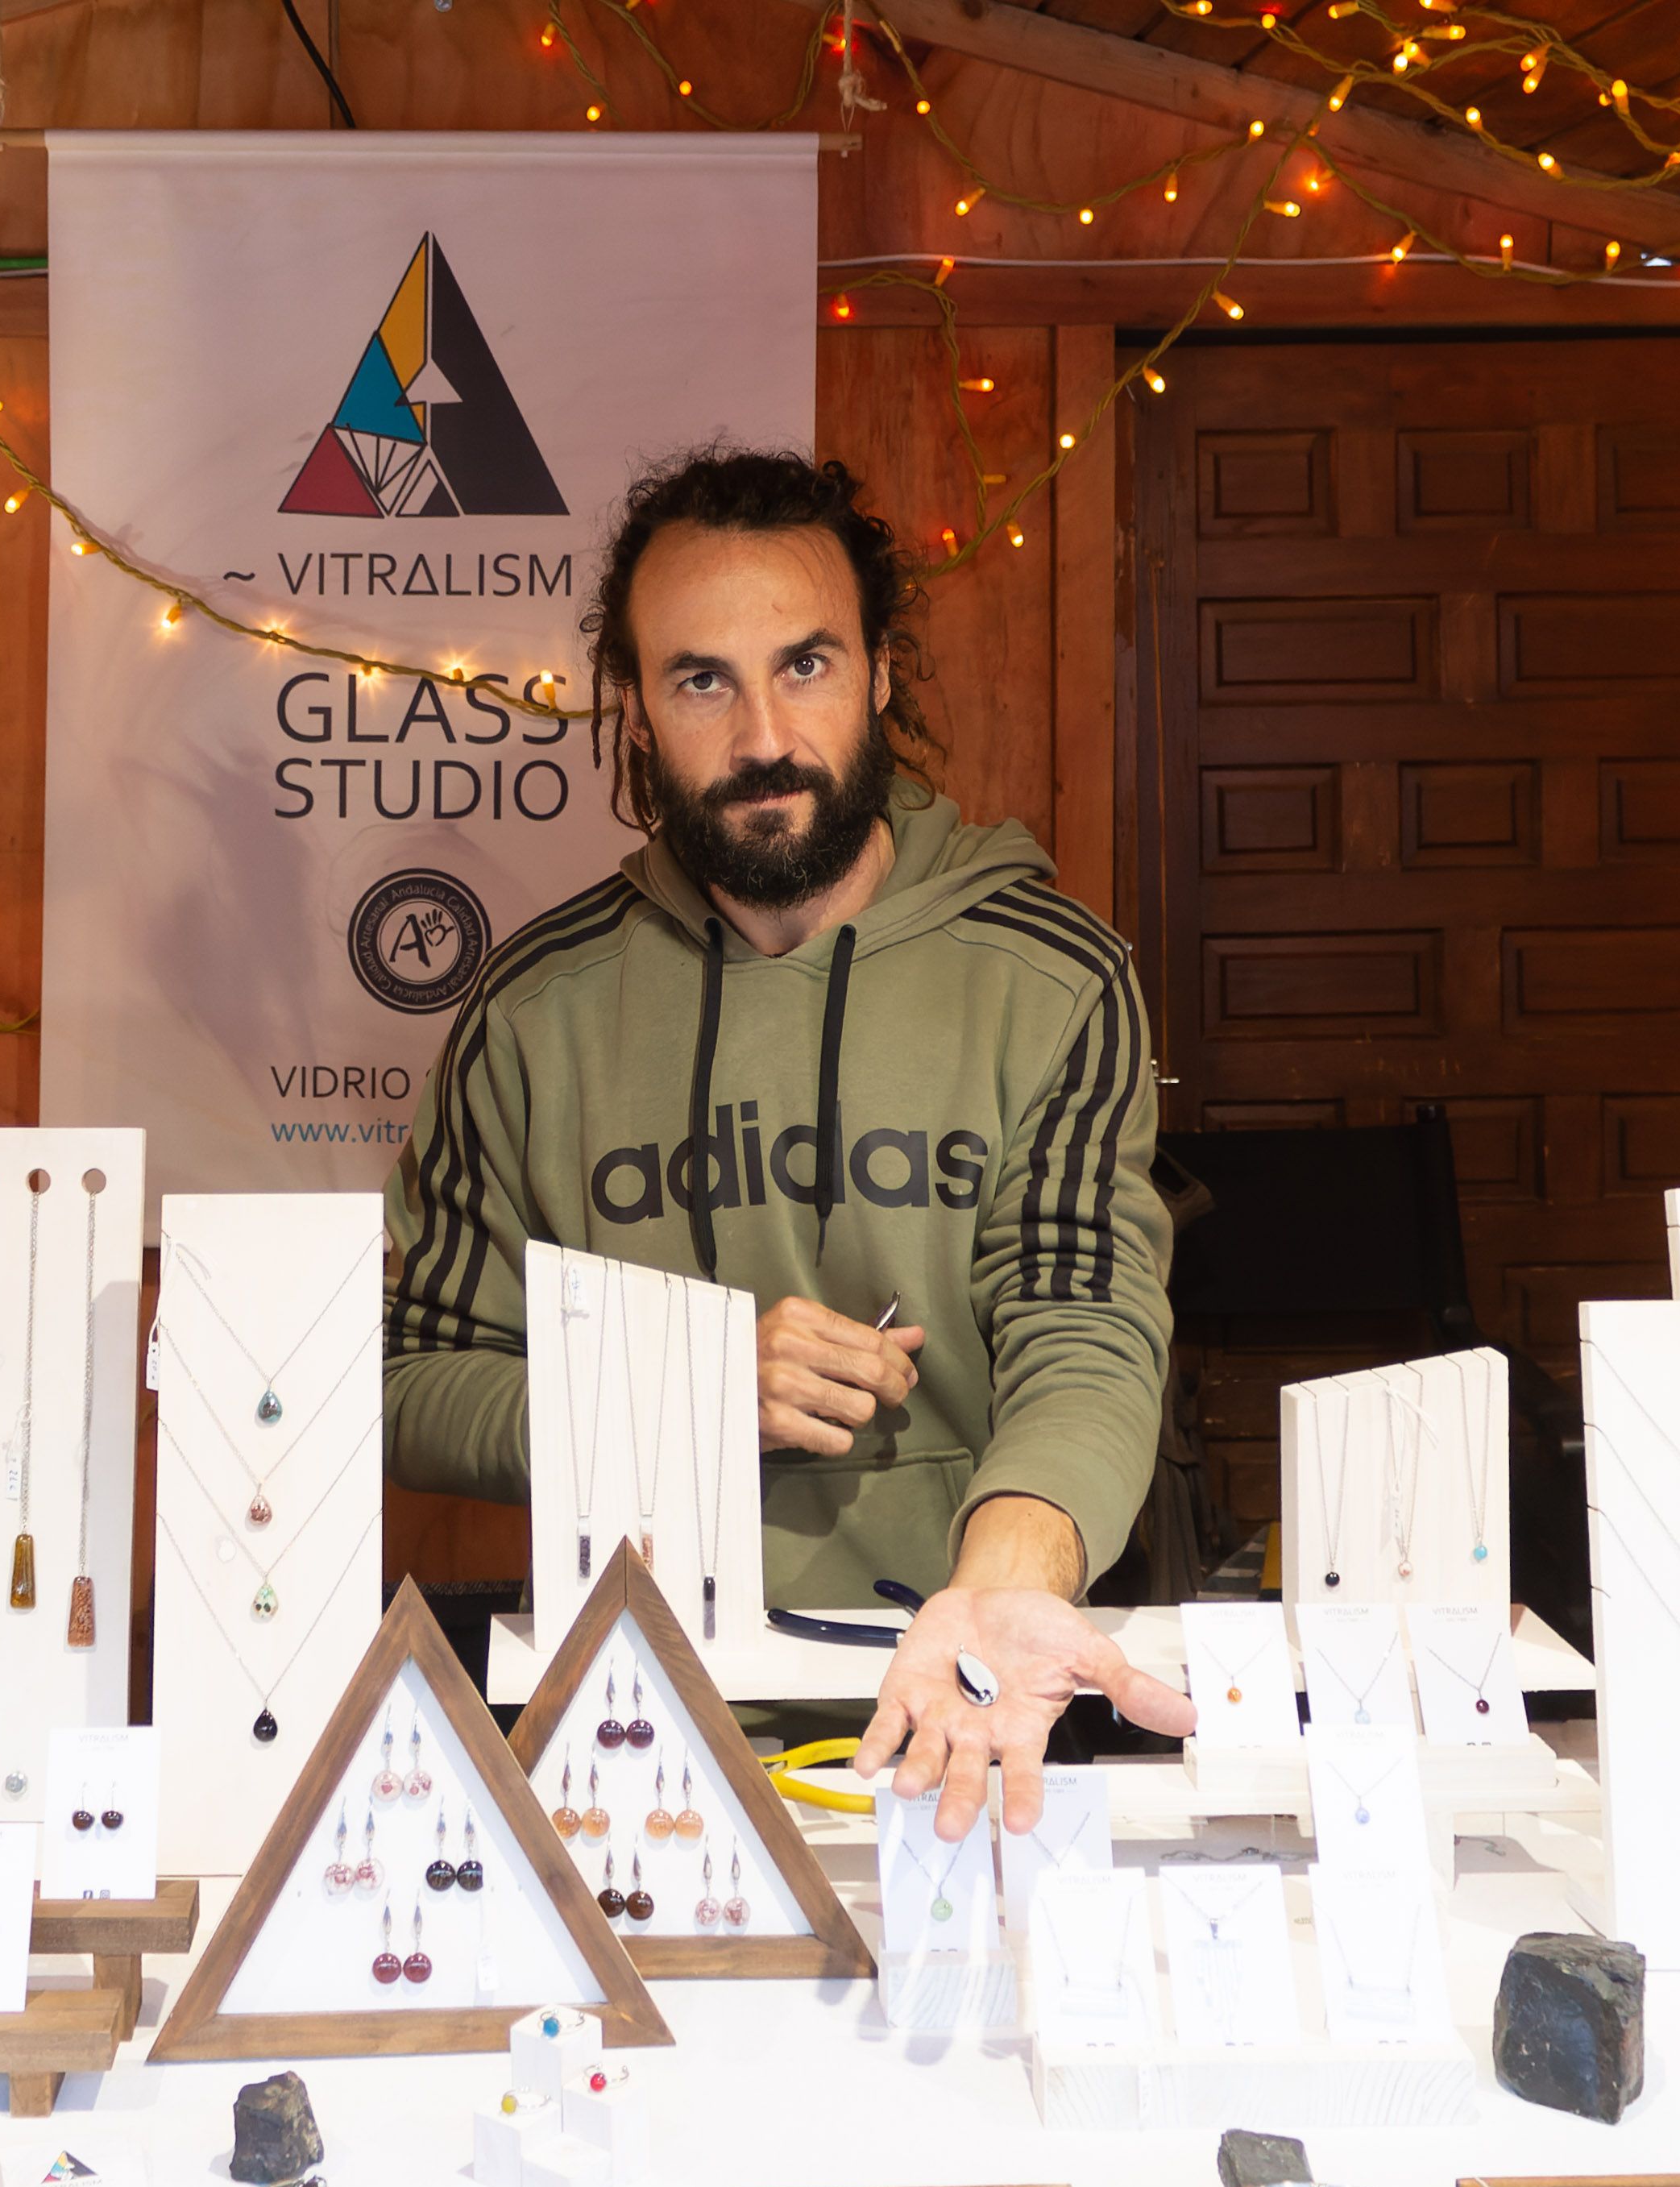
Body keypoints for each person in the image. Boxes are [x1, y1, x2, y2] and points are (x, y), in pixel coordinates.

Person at [382, 447, 1194, 1839]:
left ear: (880, 673)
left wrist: (1003, 1591)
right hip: (636, 1735)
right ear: (633, 710)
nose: (764, 734)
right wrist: (681, 1392)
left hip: (983, 1710)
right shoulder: (532, 1009)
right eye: (702, 680)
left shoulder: (1053, 975)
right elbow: (407, 1376)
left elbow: (1084, 1325)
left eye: (806, 666)